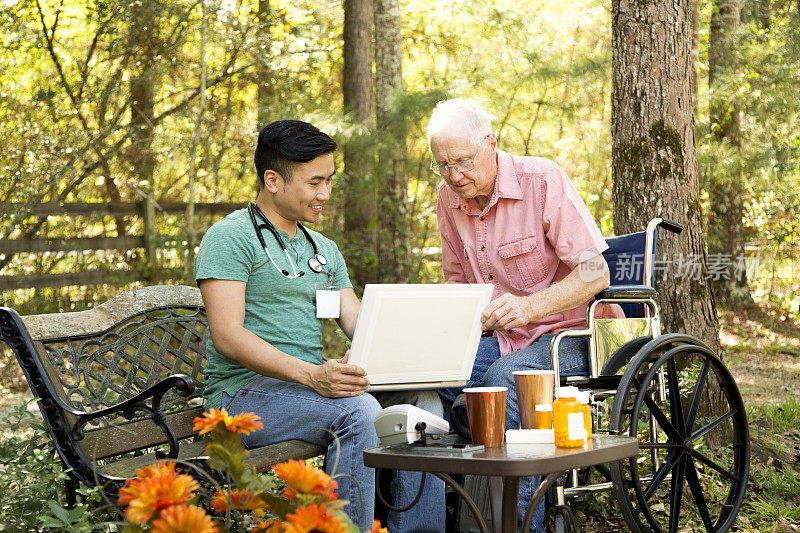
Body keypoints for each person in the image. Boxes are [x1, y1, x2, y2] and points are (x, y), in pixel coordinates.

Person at [194, 120, 445, 533]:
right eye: (315, 183)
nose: (325, 194)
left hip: (301, 389)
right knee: (358, 413)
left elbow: (356, 321)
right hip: (240, 394)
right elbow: (227, 336)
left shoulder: (322, 249)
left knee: (424, 402)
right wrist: (314, 375)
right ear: (273, 180)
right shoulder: (230, 237)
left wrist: (397, 354)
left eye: (329, 181)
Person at [427, 99, 622, 532]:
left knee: (504, 381)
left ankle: (518, 525)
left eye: (462, 161)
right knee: (429, 375)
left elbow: (596, 271)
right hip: (502, 338)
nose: (454, 175)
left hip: (573, 334)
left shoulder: (541, 178)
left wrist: (530, 306)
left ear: (491, 144)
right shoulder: (449, 197)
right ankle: (443, 516)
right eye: (442, 164)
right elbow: (458, 283)